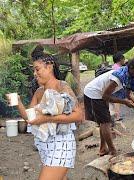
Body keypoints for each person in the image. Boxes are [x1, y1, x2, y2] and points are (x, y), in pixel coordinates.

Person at [6, 45, 83, 180]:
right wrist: (18, 103)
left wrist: (47, 119)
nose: (35, 74)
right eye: (34, 70)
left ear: (49, 66)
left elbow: (78, 115)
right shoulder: (39, 92)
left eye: (37, 69)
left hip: (61, 145)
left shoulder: (62, 86)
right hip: (44, 146)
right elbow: (29, 119)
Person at [84, 58, 134, 156]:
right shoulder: (119, 77)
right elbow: (105, 96)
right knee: (105, 122)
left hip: (101, 93)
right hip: (94, 92)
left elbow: (129, 94)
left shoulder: (129, 76)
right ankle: (112, 150)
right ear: (131, 68)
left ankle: (103, 148)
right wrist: (124, 102)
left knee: (104, 121)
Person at [110, 52, 126, 121]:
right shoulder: (118, 68)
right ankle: (117, 117)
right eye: (123, 59)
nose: (124, 61)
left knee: (113, 102)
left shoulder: (114, 66)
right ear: (120, 59)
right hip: (117, 87)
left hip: (114, 87)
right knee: (117, 102)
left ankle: (114, 115)